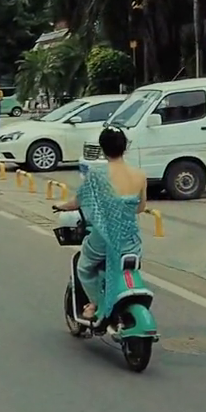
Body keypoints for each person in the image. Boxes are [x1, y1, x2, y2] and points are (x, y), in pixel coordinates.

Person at [52, 125, 147, 321]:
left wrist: (61, 206)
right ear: (125, 147)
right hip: (130, 240)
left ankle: (95, 303)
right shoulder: (140, 175)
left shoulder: (96, 174)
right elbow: (140, 207)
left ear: (102, 149)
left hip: (103, 238)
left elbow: (79, 201)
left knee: (84, 267)